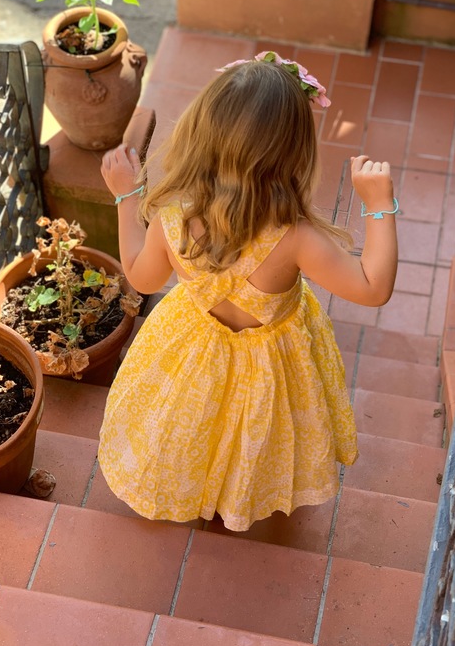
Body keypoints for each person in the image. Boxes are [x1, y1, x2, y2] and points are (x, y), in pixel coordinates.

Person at [98, 51, 398, 532]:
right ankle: (237, 498)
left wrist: (126, 195)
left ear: (200, 132)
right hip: (273, 364)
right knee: (255, 433)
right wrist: (379, 206)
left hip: (191, 353)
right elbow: (372, 287)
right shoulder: (295, 236)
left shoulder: (173, 217)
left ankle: (197, 489)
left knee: (195, 425)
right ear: (293, 151)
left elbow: (140, 279)